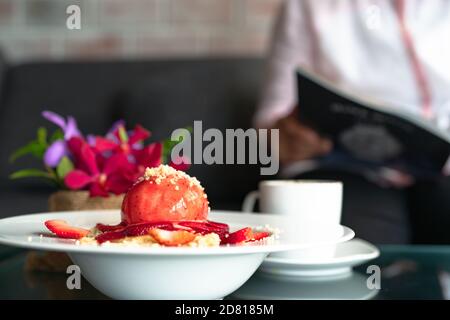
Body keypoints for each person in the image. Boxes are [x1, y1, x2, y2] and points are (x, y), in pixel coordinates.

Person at [255, 0, 450, 244]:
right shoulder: (308, 5)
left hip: (442, 168)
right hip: (343, 168)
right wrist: (286, 137)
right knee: (356, 243)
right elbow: (270, 123)